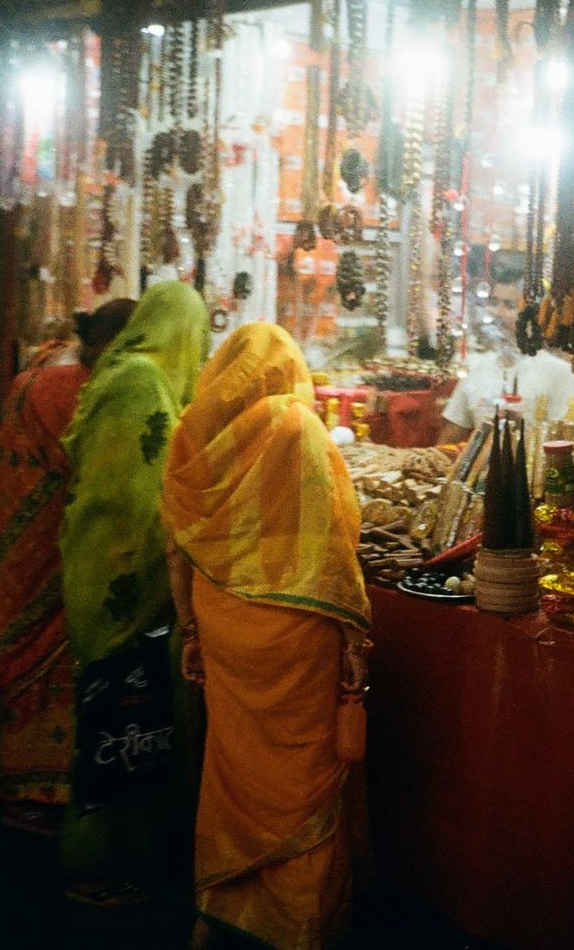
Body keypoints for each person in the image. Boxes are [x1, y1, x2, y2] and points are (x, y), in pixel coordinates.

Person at [161, 322, 372, 950]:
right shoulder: (295, 427)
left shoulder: (193, 434)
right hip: (295, 633)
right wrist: (354, 637)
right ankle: (299, 926)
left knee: (234, 766)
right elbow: (331, 543)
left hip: (224, 627)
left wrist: (193, 627)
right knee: (302, 774)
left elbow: (177, 545)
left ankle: (221, 906)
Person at [58, 280, 210, 904]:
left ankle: (126, 859)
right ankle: (95, 867)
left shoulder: (120, 370)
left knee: (124, 720)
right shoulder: (141, 383)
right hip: (123, 581)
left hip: (100, 574)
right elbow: (137, 500)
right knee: (118, 722)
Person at [0, 298, 137, 836]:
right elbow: (90, 464)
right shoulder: (70, 387)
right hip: (43, 538)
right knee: (45, 661)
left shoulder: (47, 364)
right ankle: (35, 793)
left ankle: (36, 787)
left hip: (14, 532)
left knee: (31, 658)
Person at [439, 266, 574, 443]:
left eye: (510, 305)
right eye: (494, 302)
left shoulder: (560, 372)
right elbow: (448, 442)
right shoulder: (476, 366)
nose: (498, 312)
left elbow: (566, 445)